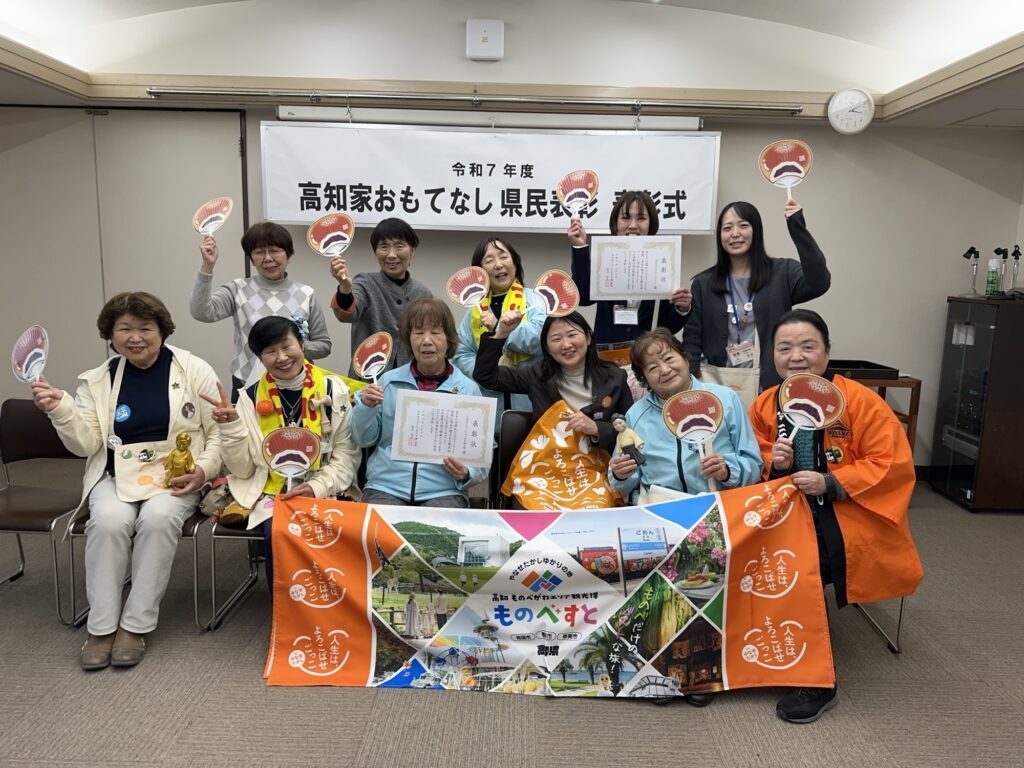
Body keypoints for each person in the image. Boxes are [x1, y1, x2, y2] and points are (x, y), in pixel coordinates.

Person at [31, 292, 221, 671]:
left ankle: (135, 625)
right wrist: (61, 410)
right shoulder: (98, 379)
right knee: (108, 521)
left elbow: (218, 432)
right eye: (124, 329)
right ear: (111, 334)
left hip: (178, 476)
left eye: (145, 328)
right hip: (116, 474)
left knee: (157, 519)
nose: (135, 337)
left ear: (162, 331)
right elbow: (86, 444)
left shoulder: (193, 369)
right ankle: (101, 627)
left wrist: (203, 470)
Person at [750, 309, 923, 724]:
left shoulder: (860, 402)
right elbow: (747, 456)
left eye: (808, 346)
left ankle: (818, 678)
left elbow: (891, 462)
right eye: (785, 348)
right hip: (779, 510)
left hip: (846, 512)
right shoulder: (765, 404)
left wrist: (831, 482)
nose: (796, 356)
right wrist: (772, 461)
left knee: (801, 566)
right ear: (773, 355)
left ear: (827, 351)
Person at [199, 316, 360, 589]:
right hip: (271, 492)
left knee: (330, 531)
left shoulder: (333, 390)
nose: (282, 357)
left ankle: (327, 603)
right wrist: (230, 427)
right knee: (280, 530)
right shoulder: (250, 397)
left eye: (287, 346)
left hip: (327, 486)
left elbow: (346, 456)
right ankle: (286, 607)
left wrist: (316, 487)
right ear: (260, 358)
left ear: (302, 344)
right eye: (270, 351)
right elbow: (242, 470)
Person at [683, 199, 830, 394]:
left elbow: (819, 282)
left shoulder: (782, 272)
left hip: (770, 386)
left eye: (743, 225)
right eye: (727, 228)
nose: (735, 233)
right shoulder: (704, 283)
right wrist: (689, 384)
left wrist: (797, 227)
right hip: (718, 387)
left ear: (756, 230)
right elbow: (692, 338)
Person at [352, 298, 487, 507]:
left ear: (449, 339)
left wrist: (468, 472)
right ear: (408, 339)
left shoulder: (468, 390)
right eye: (418, 333)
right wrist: (366, 408)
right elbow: (363, 439)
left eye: (435, 332)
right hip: (385, 487)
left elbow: (481, 453)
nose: (426, 341)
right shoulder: (387, 382)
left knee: (436, 529)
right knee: (378, 527)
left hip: (444, 490)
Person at [609, 329, 762, 501]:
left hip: (719, 503)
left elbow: (754, 465)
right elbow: (622, 486)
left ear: (685, 358)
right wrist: (620, 476)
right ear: (643, 379)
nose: (665, 370)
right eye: (652, 368)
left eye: (669, 358)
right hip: (660, 507)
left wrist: (727, 471)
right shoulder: (635, 415)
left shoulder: (725, 399)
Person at [190, 221, 331, 402]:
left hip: (298, 385)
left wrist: (292, 348)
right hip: (247, 384)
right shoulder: (237, 289)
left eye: (274, 250)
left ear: (288, 255)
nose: (268, 258)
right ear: (251, 258)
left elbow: (324, 345)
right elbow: (201, 312)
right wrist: (207, 267)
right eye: (259, 252)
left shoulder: (306, 294)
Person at [474, 310, 634, 452]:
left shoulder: (615, 377)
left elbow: (632, 431)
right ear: (547, 347)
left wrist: (596, 428)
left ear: (588, 338)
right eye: (556, 339)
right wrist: (502, 333)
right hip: (548, 466)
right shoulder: (537, 375)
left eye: (572, 335)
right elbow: (485, 376)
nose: (566, 344)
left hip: (600, 468)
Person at [567, 190, 691, 356]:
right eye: (625, 218)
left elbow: (669, 326)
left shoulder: (662, 259)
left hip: (647, 357)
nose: (633, 225)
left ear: (651, 224)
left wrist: (682, 308)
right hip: (607, 357)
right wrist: (580, 246)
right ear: (615, 224)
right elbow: (582, 297)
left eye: (641, 218)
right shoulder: (606, 256)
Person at [452, 236, 544, 420]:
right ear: (480, 272)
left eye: (503, 257)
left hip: (530, 398)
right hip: (488, 401)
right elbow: (461, 354)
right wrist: (488, 372)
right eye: (489, 260)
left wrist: (502, 330)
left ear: (515, 263)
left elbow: (542, 339)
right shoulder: (476, 310)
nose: (498, 264)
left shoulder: (535, 299)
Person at [329, 217, 433, 377]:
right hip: (367, 382)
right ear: (376, 251)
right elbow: (348, 314)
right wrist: (345, 288)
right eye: (384, 247)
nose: (391, 255)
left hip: (411, 381)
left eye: (399, 246)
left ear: (412, 251)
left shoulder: (423, 294)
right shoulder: (365, 282)